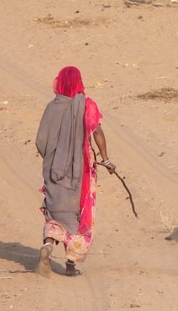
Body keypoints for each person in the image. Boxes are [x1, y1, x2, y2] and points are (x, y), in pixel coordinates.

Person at [34, 66, 116, 277]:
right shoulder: (85, 105)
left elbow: (40, 141)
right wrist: (106, 160)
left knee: (54, 214)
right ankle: (70, 265)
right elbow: (96, 131)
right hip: (80, 174)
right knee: (79, 217)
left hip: (53, 171)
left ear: (59, 82)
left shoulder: (51, 107)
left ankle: (48, 245)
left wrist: (54, 160)